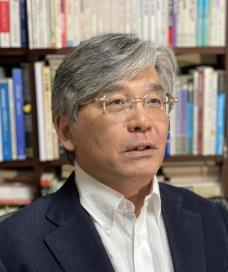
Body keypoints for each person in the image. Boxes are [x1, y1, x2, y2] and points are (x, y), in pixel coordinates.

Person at [0, 33, 228, 272]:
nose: (142, 121)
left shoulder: (214, 220)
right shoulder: (12, 247)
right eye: (117, 102)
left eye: (154, 100)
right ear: (66, 131)